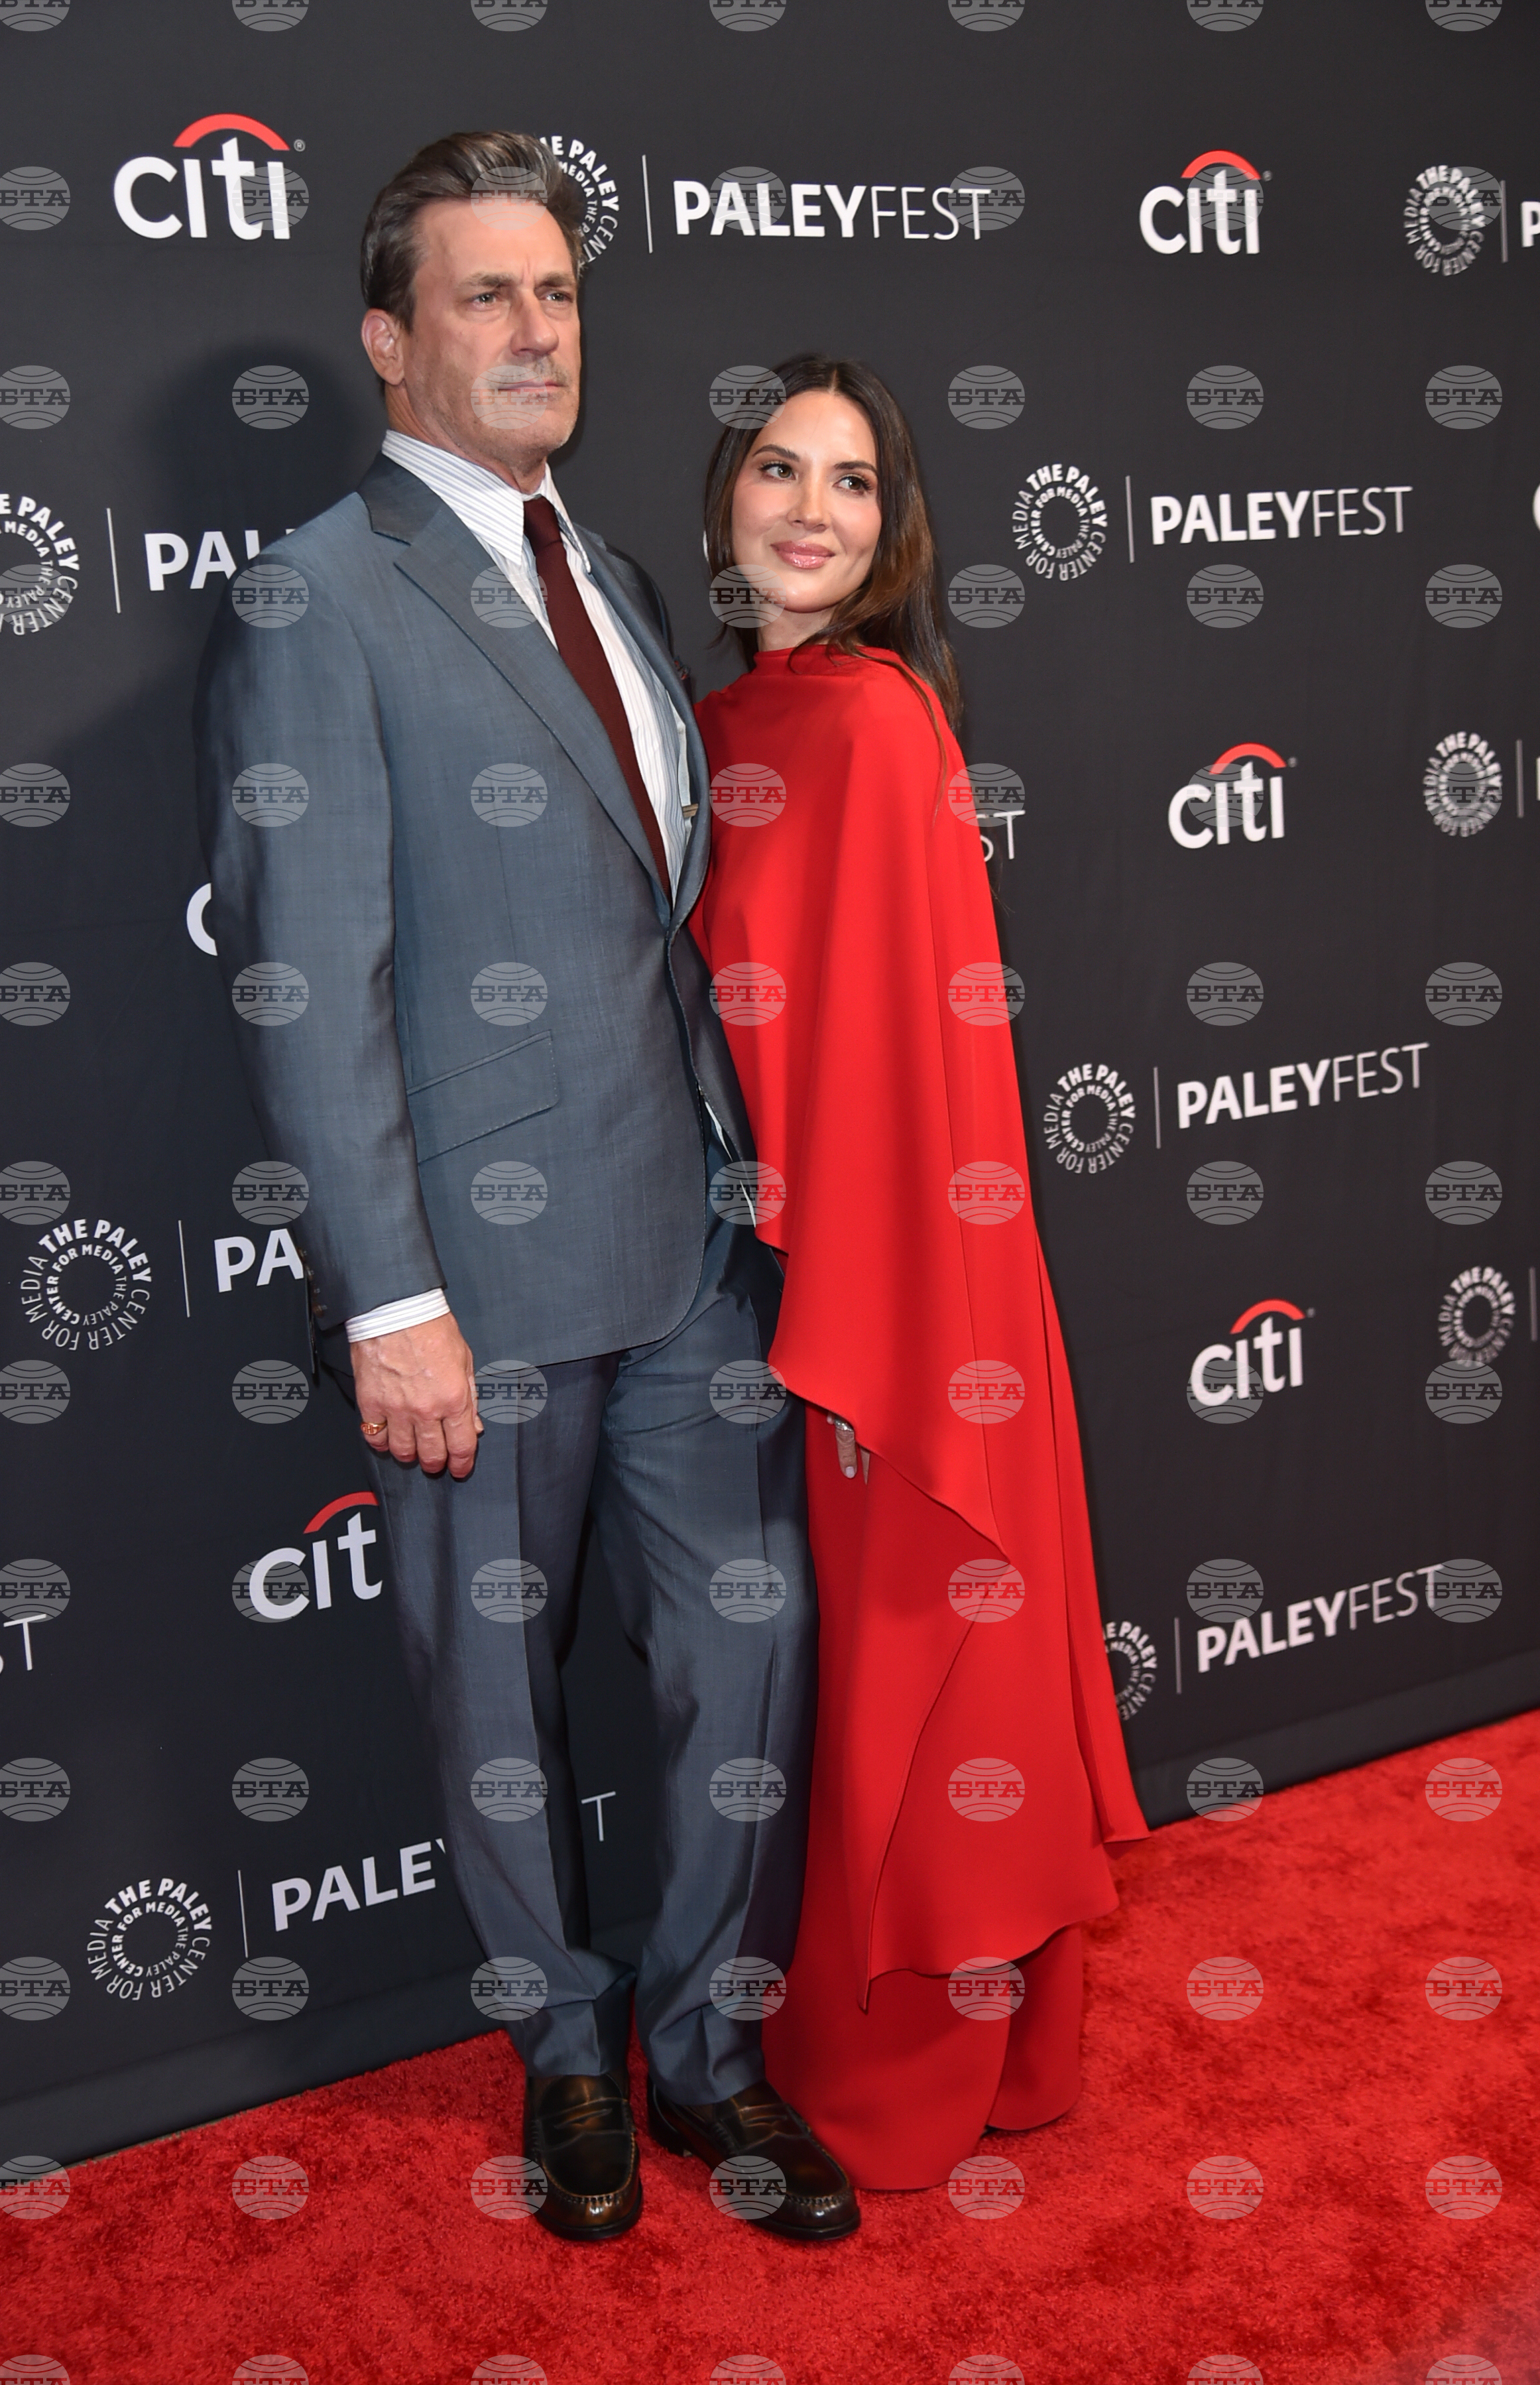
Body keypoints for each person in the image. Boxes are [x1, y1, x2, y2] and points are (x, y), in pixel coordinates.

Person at [195, 138, 856, 2245]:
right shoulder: (319, 592)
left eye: (558, 292)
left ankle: (707, 2053)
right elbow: (311, 976)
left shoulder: (631, 583)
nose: (537, 329)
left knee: (744, 1668)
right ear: (388, 342)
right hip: (477, 1283)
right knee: (487, 1698)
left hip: (693, 1258)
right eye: (486, 297)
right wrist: (388, 1298)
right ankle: (564, 2054)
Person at [693, 354, 1149, 2190]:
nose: (814, 509)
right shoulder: (721, 723)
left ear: (894, 534)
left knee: (918, 1665)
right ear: (725, 501)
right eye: (782, 471)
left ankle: (903, 2066)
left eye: (856, 483)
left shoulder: (879, 722)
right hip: (786, 1284)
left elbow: (927, 1076)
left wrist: (901, 1343)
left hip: (901, 1307)